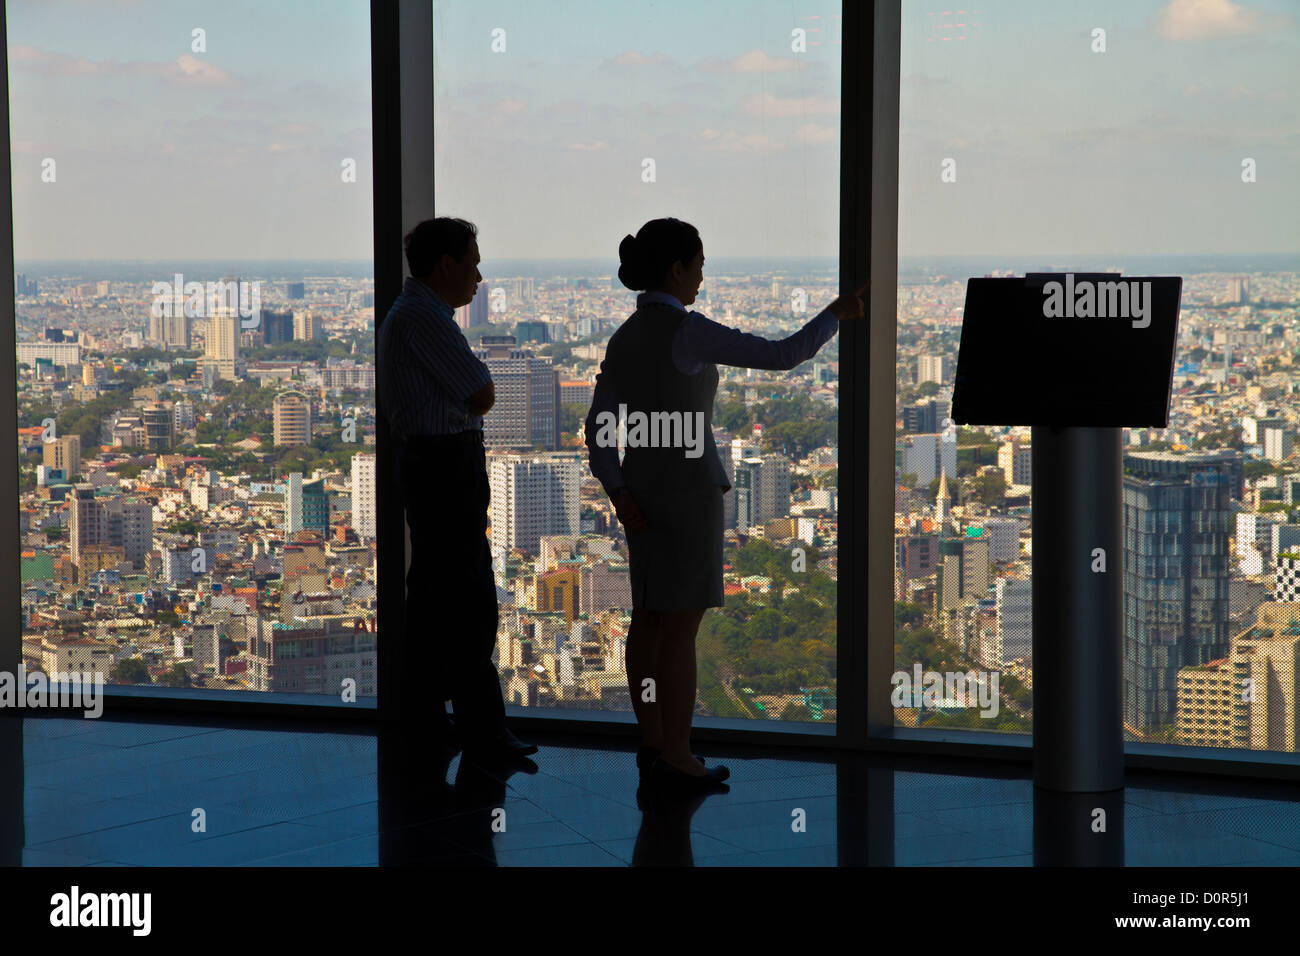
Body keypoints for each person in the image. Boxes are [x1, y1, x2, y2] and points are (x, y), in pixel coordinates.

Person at [585, 217, 866, 790]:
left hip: (639, 495)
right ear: (677, 268)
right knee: (681, 634)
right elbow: (782, 355)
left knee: (647, 624)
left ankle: (651, 743)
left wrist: (618, 494)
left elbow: (597, 431)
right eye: (700, 265)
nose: (703, 277)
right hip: (688, 497)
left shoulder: (622, 337)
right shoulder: (687, 332)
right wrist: (834, 316)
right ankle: (680, 755)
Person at [376, 216, 536, 762]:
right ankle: (482, 730)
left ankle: (429, 725)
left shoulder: (414, 313)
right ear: (445, 265)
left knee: (434, 600)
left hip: (431, 465)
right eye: (471, 262)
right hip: (445, 465)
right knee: (468, 601)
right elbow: (482, 391)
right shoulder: (424, 317)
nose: (478, 276)